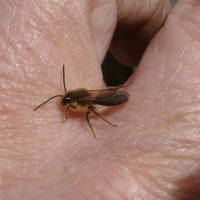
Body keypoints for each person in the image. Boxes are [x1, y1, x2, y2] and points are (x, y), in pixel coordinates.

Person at [1, 0, 198, 199]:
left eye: (66, 102)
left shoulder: (76, 102)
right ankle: (116, 96)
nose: (65, 104)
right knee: (94, 106)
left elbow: (86, 106)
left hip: (109, 99)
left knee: (92, 111)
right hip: (108, 96)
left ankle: (110, 108)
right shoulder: (77, 97)